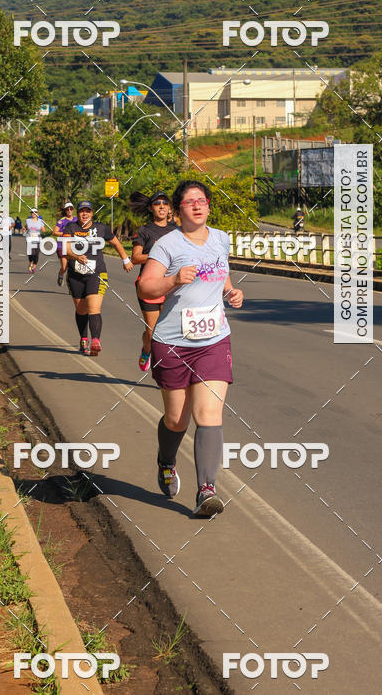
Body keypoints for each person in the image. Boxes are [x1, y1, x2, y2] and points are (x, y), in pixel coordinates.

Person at [138, 181, 243, 517]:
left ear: (209, 206)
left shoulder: (221, 238)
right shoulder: (167, 245)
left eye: (202, 200)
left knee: (208, 415)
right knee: (176, 419)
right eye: (189, 202)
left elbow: (221, 275)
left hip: (214, 340)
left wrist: (231, 292)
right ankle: (166, 460)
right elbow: (145, 286)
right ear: (178, 210)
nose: (197, 206)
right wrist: (172, 280)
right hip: (172, 342)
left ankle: (206, 490)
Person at [66, 200, 133, 356]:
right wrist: (76, 256)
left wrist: (125, 259)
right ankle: (84, 338)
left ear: (92, 213)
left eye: (88, 211)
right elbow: (66, 248)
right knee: (81, 309)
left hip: (96, 273)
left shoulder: (101, 228)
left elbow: (116, 243)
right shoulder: (71, 228)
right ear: (77, 213)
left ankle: (96, 340)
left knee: (94, 308)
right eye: (82, 211)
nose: (85, 214)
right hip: (75, 275)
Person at [130, 191, 178, 372]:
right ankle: (146, 349)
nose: (162, 206)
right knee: (153, 333)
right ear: (151, 208)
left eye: (165, 203)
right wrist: (158, 255)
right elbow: (135, 257)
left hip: (171, 286)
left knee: (169, 331)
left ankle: (166, 369)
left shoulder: (177, 231)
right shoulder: (145, 231)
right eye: (157, 203)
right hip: (149, 285)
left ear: (169, 207)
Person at [53, 201, 76, 286]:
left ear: (73, 209)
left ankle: (72, 284)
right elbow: (54, 232)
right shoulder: (61, 221)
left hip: (74, 246)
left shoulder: (77, 219)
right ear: (65, 210)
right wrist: (66, 234)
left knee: (74, 267)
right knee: (64, 267)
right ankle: (61, 275)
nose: (69, 210)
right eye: (67, 209)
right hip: (62, 246)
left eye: (71, 209)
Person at [24, 208, 46, 273]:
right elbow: (25, 227)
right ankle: (30, 263)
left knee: (36, 254)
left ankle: (34, 266)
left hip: (38, 239)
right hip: (29, 239)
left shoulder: (40, 221)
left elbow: (43, 230)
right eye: (32, 212)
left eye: (35, 212)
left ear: (37, 213)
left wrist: (43, 232)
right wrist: (24, 230)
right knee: (31, 253)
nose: (33, 213)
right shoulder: (27, 220)